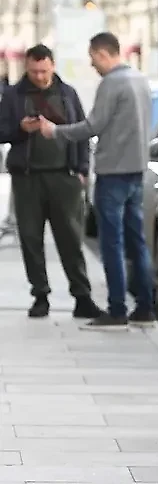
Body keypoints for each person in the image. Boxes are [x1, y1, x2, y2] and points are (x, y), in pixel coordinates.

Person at [38, 32, 155, 330]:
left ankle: (117, 309)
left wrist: (55, 132)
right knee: (137, 242)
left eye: (93, 60)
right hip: (136, 169)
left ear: (103, 54)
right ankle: (145, 309)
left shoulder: (112, 83)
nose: (93, 66)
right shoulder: (140, 80)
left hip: (113, 172)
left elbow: (93, 126)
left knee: (112, 243)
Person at [0, 44, 103, 319]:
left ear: (53, 66)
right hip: (28, 179)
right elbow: (2, 131)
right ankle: (40, 295)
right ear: (26, 68)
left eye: (44, 71)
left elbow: (82, 131)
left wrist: (81, 169)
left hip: (64, 177)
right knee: (31, 238)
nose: (40, 76)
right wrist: (20, 130)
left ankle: (82, 296)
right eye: (34, 71)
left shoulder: (67, 94)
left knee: (70, 238)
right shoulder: (12, 95)